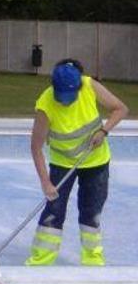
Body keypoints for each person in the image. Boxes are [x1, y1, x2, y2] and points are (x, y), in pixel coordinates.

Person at [26, 59, 128, 266]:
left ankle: (93, 262)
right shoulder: (45, 105)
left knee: (91, 213)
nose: (65, 101)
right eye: (61, 96)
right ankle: (40, 262)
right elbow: (36, 148)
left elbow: (120, 109)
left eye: (69, 96)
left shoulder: (90, 86)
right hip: (62, 164)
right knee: (53, 212)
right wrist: (46, 183)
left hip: (96, 162)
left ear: (79, 86)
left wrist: (103, 130)